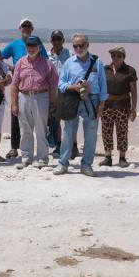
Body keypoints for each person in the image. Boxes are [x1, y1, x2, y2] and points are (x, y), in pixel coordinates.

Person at [53, 33, 107, 177]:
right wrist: (74, 87)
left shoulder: (97, 61)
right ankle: (63, 164)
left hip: (92, 99)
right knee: (68, 132)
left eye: (81, 45)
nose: (78, 48)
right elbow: (61, 84)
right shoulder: (69, 62)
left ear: (87, 45)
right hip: (72, 98)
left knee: (91, 135)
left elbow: (103, 85)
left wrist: (102, 105)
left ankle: (86, 165)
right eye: (75, 46)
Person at [1, 18, 49, 159]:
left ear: (32, 29)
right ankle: (14, 148)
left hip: (37, 87)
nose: (26, 28)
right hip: (20, 85)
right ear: (20, 28)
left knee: (40, 122)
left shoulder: (39, 44)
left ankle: (44, 152)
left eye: (29, 26)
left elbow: (46, 63)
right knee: (15, 115)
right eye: (24, 26)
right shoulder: (14, 44)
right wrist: (9, 68)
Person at [11, 36, 58, 169]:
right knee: (25, 129)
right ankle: (26, 158)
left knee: (41, 129)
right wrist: (14, 103)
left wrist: (53, 103)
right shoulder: (20, 63)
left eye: (34, 46)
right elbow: (14, 85)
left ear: (39, 47)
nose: (31, 49)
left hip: (41, 97)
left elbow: (53, 85)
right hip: (24, 97)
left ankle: (42, 158)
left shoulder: (47, 64)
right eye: (29, 46)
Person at [100, 46, 138, 168]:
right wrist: (99, 105)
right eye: (113, 55)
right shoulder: (105, 69)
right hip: (107, 105)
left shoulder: (130, 70)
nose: (115, 58)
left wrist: (133, 109)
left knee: (122, 131)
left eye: (119, 56)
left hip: (123, 105)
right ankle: (108, 157)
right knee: (106, 130)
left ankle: (122, 157)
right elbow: (100, 87)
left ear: (123, 57)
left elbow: (134, 91)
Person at [48, 30, 72, 156]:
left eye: (59, 39)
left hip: (67, 92)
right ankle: (58, 144)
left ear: (63, 40)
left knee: (70, 120)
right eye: (54, 39)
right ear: (51, 41)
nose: (56, 41)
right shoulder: (46, 56)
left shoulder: (70, 54)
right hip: (52, 93)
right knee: (54, 120)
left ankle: (72, 146)